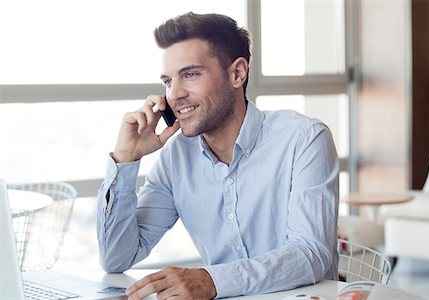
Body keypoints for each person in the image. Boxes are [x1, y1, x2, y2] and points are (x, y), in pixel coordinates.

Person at [97, 12, 339, 300]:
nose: (175, 94)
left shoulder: (304, 139)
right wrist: (126, 159)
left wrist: (212, 280)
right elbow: (116, 258)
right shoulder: (177, 158)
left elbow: (310, 254)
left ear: (237, 73)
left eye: (190, 74)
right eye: (167, 81)